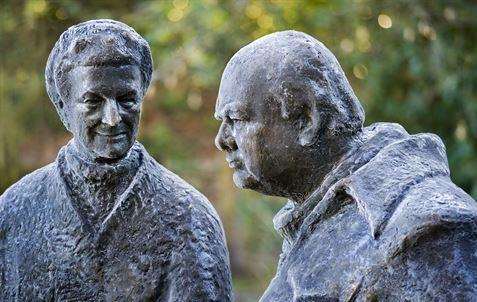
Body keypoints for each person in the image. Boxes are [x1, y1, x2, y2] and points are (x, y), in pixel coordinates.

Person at [215, 30, 477, 301]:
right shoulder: (318, 213)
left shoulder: (428, 231)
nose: (221, 140)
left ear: (306, 118)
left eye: (236, 119)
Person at [0, 19, 232, 301]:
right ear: (62, 107)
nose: (112, 119)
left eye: (127, 100)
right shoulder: (14, 211)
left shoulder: (189, 216)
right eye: (93, 101)